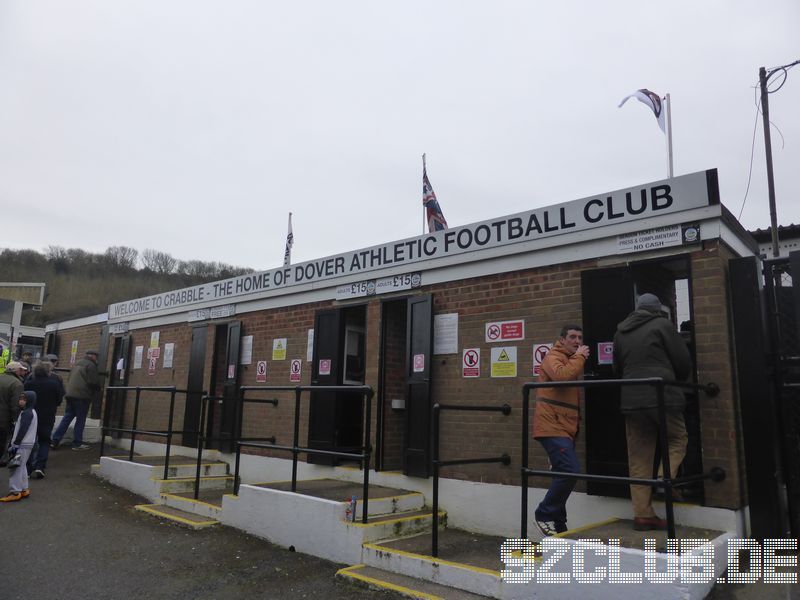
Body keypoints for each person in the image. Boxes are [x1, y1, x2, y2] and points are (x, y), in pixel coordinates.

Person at [613, 292, 692, 531]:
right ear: (657, 309)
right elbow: (682, 360)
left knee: (639, 457)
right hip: (661, 395)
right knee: (677, 438)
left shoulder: (620, 332)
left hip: (631, 398)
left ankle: (643, 514)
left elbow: (617, 367)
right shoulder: (662, 325)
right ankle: (663, 478)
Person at [532, 324, 590, 536]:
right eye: (572, 337)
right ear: (562, 339)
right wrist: (580, 357)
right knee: (569, 470)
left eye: (580, 338)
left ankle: (558, 523)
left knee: (563, 473)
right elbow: (561, 376)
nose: (577, 341)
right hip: (551, 425)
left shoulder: (570, 358)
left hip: (565, 427)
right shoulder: (553, 357)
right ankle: (544, 514)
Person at [51, 350, 101, 451]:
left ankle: (55, 440)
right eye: (96, 357)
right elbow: (93, 382)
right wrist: (99, 389)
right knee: (80, 420)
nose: (97, 359)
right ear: (93, 356)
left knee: (67, 418)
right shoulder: (91, 365)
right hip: (82, 396)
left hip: (70, 394)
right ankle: (77, 443)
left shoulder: (77, 363)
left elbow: (69, 378)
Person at [25, 360, 64, 478]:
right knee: (44, 441)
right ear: (48, 371)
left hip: (31, 416)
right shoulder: (54, 384)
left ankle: (27, 469)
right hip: (47, 416)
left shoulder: (29, 383)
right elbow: (59, 400)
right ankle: (40, 467)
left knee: (29, 442)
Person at [1, 390, 38, 502]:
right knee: (21, 467)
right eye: (21, 398)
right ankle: (24, 489)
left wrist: (16, 443)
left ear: (29, 400)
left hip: (22, 445)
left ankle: (15, 492)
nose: (21, 401)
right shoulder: (31, 411)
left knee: (15, 468)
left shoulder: (27, 413)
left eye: (24, 399)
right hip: (27, 444)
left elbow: (23, 429)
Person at [0, 361, 28, 465]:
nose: (22, 372)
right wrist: (17, 420)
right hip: (3, 420)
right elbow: (16, 405)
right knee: (2, 444)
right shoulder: (17, 384)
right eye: (21, 370)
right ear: (16, 371)